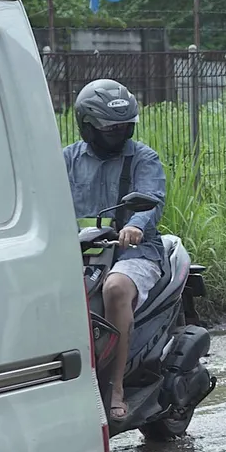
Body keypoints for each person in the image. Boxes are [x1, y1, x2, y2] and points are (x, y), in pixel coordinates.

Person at [63, 79, 168, 424]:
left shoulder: (143, 158)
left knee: (115, 288)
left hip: (132, 252)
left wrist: (136, 225)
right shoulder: (67, 160)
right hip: (78, 252)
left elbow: (151, 199)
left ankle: (116, 386)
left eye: (125, 126)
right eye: (111, 128)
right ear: (88, 126)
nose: (119, 132)